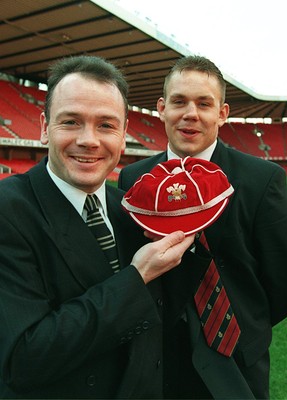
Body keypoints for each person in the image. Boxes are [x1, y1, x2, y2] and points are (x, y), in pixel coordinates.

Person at [0, 55, 196, 399]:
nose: (89, 140)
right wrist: (137, 278)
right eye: (72, 122)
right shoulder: (8, 210)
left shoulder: (130, 211)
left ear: (123, 136)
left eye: (106, 125)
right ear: (45, 127)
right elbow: (23, 358)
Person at [118, 55, 287, 399]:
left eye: (203, 103)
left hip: (236, 359)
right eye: (179, 101)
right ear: (162, 108)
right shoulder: (135, 179)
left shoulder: (261, 179)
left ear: (221, 114)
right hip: (157, 357)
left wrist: (246, 323)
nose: (190, 113)